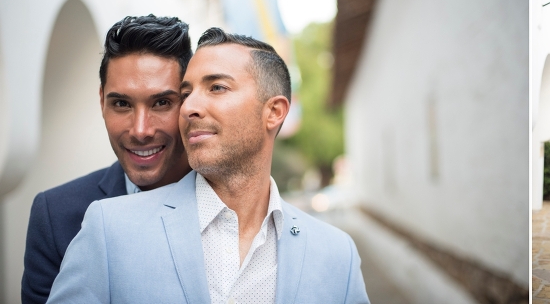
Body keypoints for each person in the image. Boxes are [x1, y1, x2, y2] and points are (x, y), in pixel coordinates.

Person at [47, 29, 369, 304]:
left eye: (216, 87)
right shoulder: (109, 230)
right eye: (185, 93)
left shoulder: (338, 257)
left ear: (274, 112)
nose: (189, 108)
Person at [22, 15, 192, 304]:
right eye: (122, 104)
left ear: (189, 103)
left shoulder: (229, 202)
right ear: (102, 102)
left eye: (161, 103)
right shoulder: (55, 216)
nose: (140, 130)